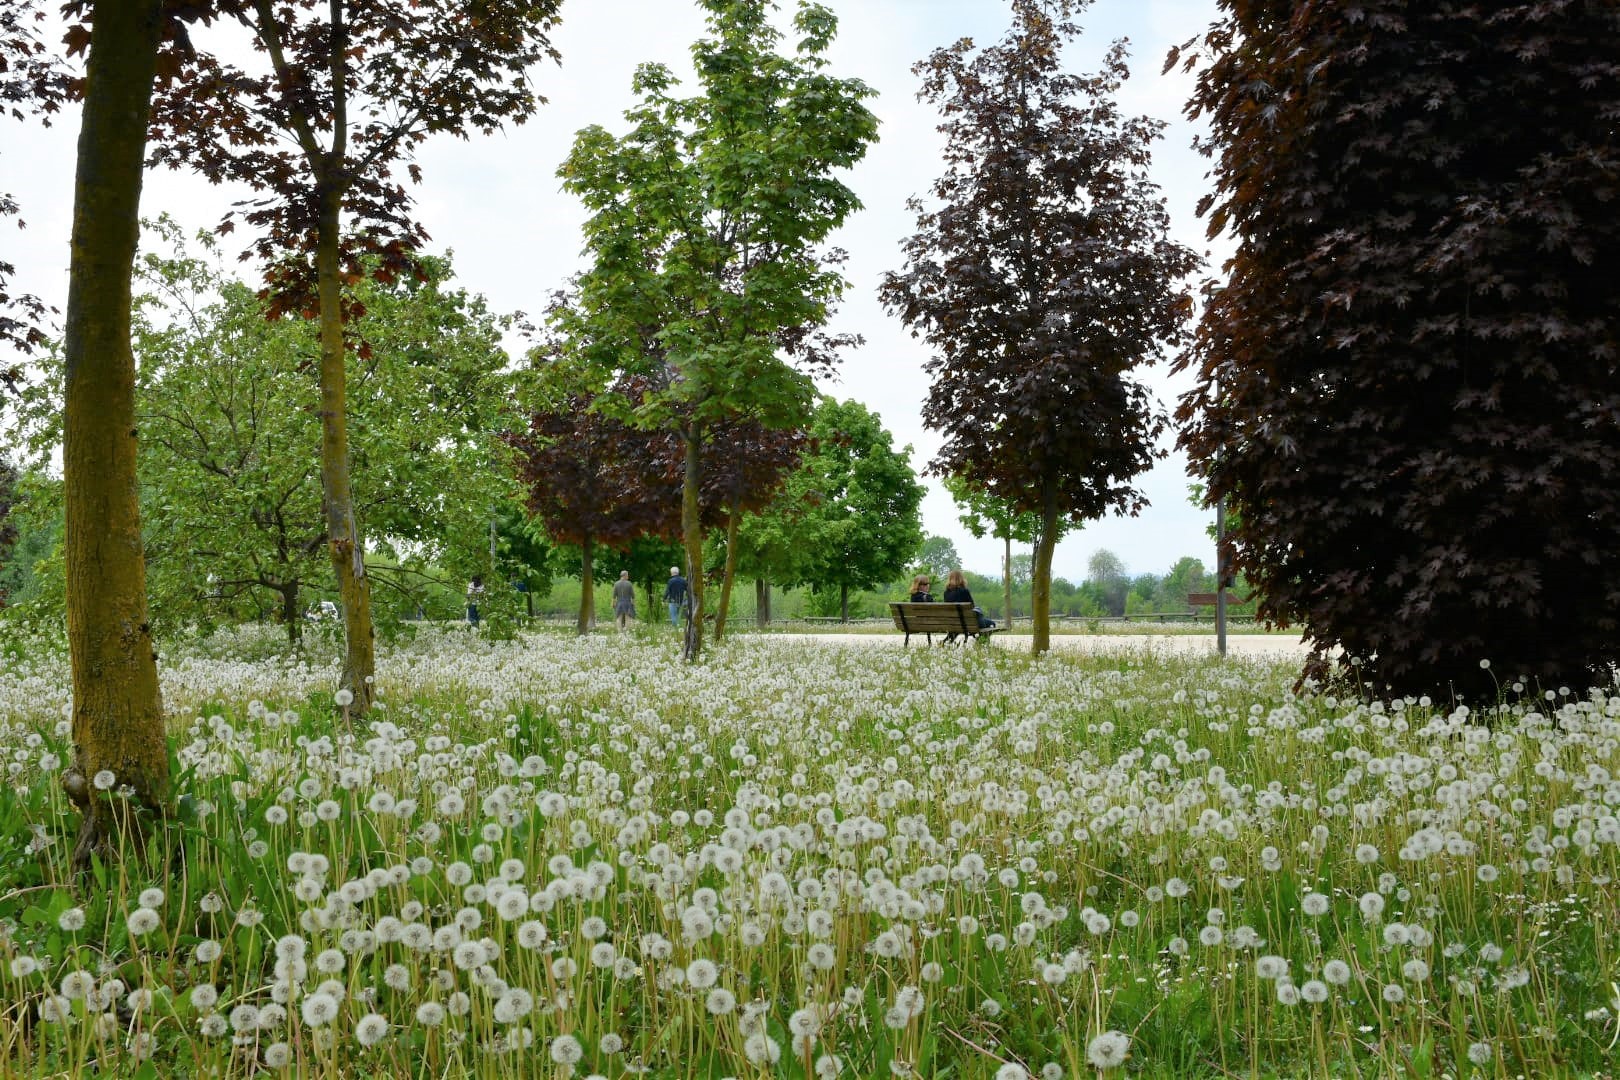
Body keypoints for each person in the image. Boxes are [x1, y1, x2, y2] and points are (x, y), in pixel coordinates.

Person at [942, 569, 995, 640]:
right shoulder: (964, 591)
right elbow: (972, 606)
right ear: (961, 579)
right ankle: (982, 642)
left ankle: (981, 641)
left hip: (953, 623)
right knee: (991, 623)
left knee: (983, 620)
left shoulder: (946, 593)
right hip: (968, 623)